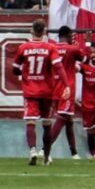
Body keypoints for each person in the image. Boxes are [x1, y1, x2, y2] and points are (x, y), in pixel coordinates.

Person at [12, 19, 69, 166]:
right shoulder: (50, 48)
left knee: (30, 121)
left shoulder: (23, 48)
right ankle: (47, 156)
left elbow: (14, 69)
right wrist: (66, 85)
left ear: (32, 31)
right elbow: (58, 68)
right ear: (44, 32)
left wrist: (23, 73)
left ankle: (32, 151)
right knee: (46, 123)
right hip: (46, 91)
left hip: (30, 90)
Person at [47, 25, 87, 159]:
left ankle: (74, 153)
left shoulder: (51, 48)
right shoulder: (73, 48)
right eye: (72, 36)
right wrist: (83, 44)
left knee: (69, 120)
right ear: (68, 36)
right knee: (62, 118)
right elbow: (85, 59)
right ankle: (44, 148)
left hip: (54, 88)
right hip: (67, 88)